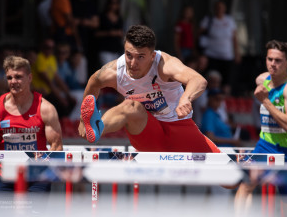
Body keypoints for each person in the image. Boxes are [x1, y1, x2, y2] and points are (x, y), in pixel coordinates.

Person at [78, 24, 220, 153]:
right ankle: (97, 128)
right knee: (130, 106)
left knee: (232, 175)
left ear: (152, 56)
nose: (133, 63)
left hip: (179, 128)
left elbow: (198, 80)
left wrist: (185, 98)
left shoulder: (164, 65)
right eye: (129, 55)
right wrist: (83, 121)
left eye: (140, 57)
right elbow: (93, 82)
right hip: (147, 132)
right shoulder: (114, 71)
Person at [234, 40, 287, 215]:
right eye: (270, 59)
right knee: (246, 184)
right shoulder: (262, 80)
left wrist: (266, 101)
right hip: (265, 144)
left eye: (278, 61)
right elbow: (260, 78)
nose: (273, 64)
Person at [0, 55, 63, 192]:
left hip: (37, 177)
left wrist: (43, 171)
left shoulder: (45, 108)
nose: (13, 81)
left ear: (30, 78)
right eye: (9, 78)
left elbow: (57, 147)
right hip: (7, 175)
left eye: (18, 77)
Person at [199, 0, 241, 92]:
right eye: (217, 7)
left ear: (224, 9)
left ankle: (224, 102)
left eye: (221, 8)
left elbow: (234, 38)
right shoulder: (209, 20)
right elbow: (199, 34)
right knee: (211, 80)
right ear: (214, 9)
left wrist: (237, 53)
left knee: (226, 82)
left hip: (227, 56)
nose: (219, 10)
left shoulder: (229, 20)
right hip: (211, 55)